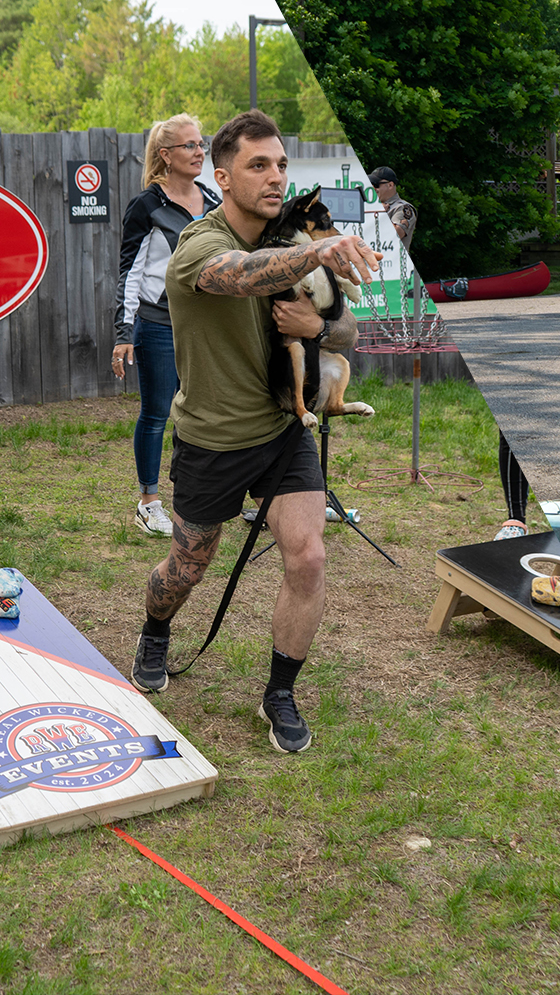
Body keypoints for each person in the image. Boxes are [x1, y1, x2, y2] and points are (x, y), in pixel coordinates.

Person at [132, 110, 382, 754]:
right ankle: (156, 630)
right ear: (222, 175)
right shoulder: (198, 245)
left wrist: (316, 329)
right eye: (258, 165)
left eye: (281, 165)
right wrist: (315, 250)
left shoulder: (294, 236)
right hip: (213, 437)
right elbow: (238, 275)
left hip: (282, 429)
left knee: (309, 556)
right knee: (188, 565)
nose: (275, 177)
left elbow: (345, 330)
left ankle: (280, 692)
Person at [113, 114, 217, 536]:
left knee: (206, 412)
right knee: (156, 415)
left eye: (200, 144)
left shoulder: (212, 200)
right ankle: (149, 501)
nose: (199, 152)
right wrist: (123, 335)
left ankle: (204, 494)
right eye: (189, 146)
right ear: (166, 156)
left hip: (207, 325)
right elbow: (130, 272)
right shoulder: (147, 205)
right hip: (157, 325)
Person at [370, 166, 417, 245]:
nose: (374, 188)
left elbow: (394, 235)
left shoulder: (403, 208)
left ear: (390, 185)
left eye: (376, 184)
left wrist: (380, 213)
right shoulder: (370, 207)